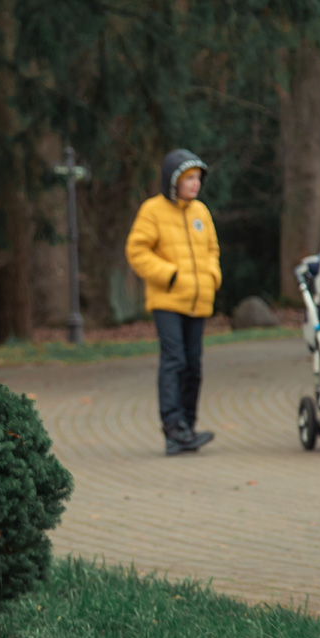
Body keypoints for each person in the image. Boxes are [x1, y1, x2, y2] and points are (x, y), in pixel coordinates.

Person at [125, 149, 222, 456]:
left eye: (198, 178)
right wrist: (169, 275)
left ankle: (187, 427)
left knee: (193, 365)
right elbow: (137, 251)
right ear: (172, 180)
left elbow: (212, 250)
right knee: (174, 361)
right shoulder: (152, 210)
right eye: (188, 178)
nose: (195, 184)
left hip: (199, 301)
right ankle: (172, 428)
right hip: (167, 301)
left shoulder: (201, 212)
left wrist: (212, 276)